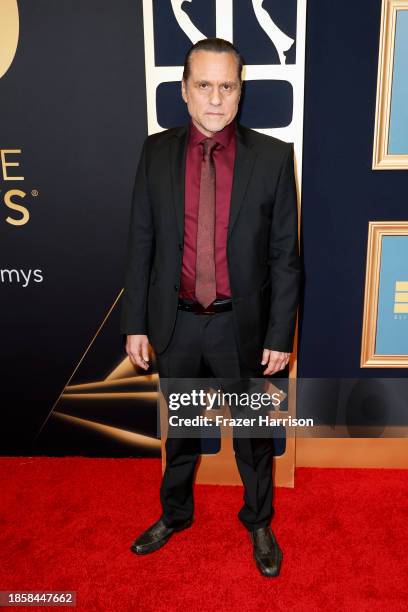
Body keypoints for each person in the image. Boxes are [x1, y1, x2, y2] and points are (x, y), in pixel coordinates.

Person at [120, 37, 300, 578]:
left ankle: (259, 521)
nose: (216, 99)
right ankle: (174, 515)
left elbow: (285, 258)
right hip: (174, 324)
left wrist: (279, 334)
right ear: (183, 90)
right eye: (204, 85)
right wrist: (136, 325)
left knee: (252, 437)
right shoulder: (155, 152)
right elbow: (141, 244)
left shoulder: (271, 156)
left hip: (239, 327)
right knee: (180, 432)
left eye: (227, 86)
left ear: (241, 92)